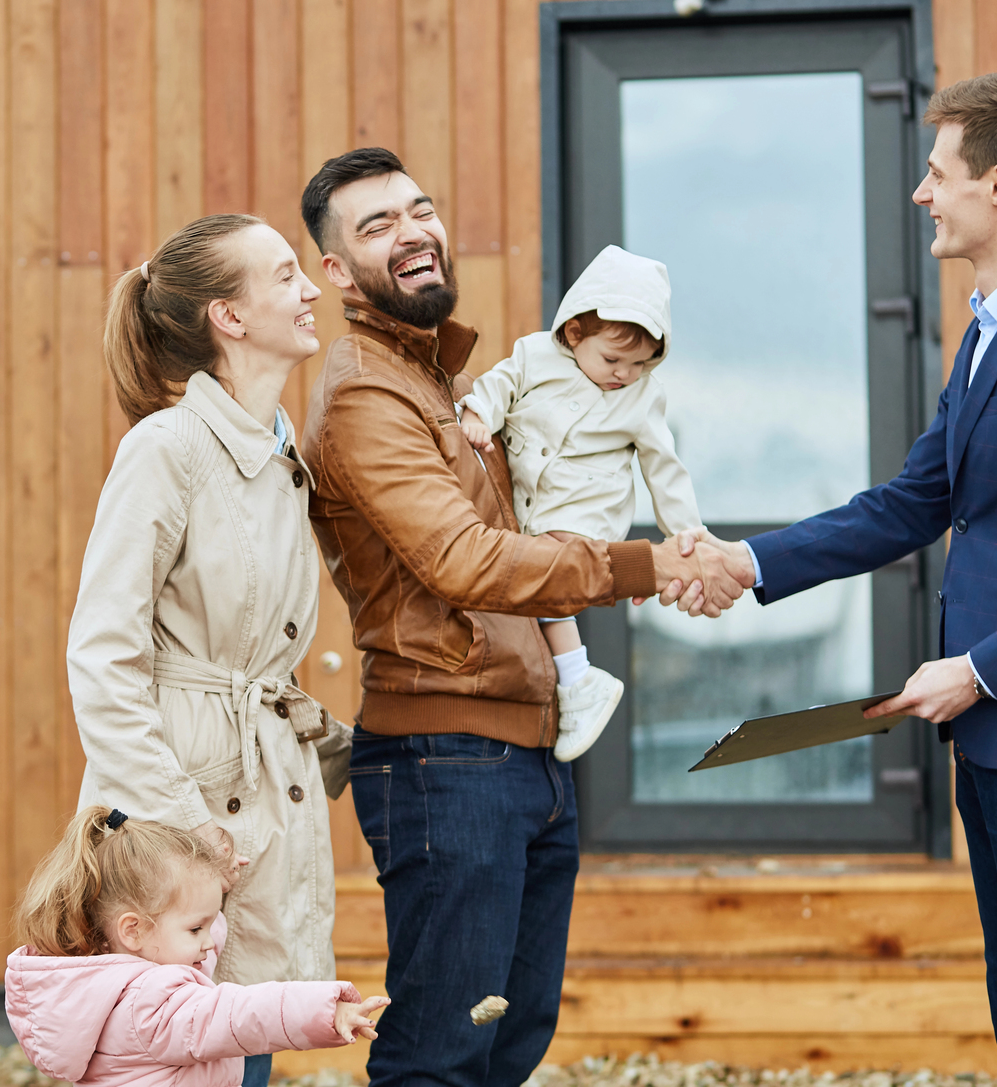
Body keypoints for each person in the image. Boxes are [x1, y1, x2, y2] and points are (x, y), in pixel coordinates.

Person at [691, 71, 997, 1086]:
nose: (920, 192)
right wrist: (747, 561)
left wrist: (979, 670)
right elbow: (912, 502)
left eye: (936, 172)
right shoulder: (992, 331)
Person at [296, 148, 741, 1087]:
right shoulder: (370, 392)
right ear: (335, 270)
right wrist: (645, 562)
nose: (412, 231)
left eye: (419, 209)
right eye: (376, 226)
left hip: (523, 749)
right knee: (441, 1055)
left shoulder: (445, 382)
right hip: (446, 753)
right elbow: (463, 558)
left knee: (510, 1040)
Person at [66, 212, 354, 1087]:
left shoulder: (283, 457)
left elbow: (265, 657)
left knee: (249, 1025)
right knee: (186, 1044)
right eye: (282, 275)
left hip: (267, 783)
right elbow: (100, 655)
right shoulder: (165, 449)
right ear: (228, 316)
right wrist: (177, 813)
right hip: (183, 796)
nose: (311, 289)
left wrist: (351, 748)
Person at [456, 244, 702, 761]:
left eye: (640, 363)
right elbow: (501, 384)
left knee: (547, 572)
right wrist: (479, 411)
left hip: (588, 507)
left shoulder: (642, 396)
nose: (624, 374)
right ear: (574, 333)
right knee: (529, 576)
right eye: (613, 360)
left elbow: (663, 465)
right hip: (531, 506)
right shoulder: (534, 356)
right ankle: (567, 681)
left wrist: (686, 533)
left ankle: (579, 679)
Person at [4, 807, 389, 1086]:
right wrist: (325, 1011)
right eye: (196, 928)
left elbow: (193, 948)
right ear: (133, 930)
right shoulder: (151, 1004)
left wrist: (206, 891)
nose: (209, 941)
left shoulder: (102, 988)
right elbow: (237, 1014)